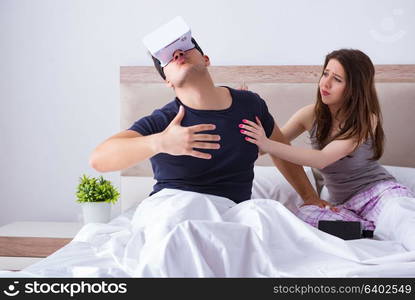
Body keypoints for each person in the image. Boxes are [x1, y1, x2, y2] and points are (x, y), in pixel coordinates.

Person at [89, 36, 323, 206]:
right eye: (167, 58)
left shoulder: (250, 105)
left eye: (183, 47)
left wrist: (311, 197)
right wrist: (160, 143)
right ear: (167, 80)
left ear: (206, 59)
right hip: (175, 209)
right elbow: (99, 160)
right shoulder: (165, 121)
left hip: (233, 213)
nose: (177, 54)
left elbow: (281, 150)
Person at [239, 49, 415, 249]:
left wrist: (267, 143)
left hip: (377, 193)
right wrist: (247, 111)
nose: (325, 83)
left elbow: (322, 158)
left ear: (354, 88)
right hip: (341, 206)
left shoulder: (366, 119)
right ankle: (367, 231)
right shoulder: (309, 114)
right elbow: (265, 148)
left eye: (337, 79)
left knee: (402, 214)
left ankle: (375, 230)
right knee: (302, 218)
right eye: (325, 74)